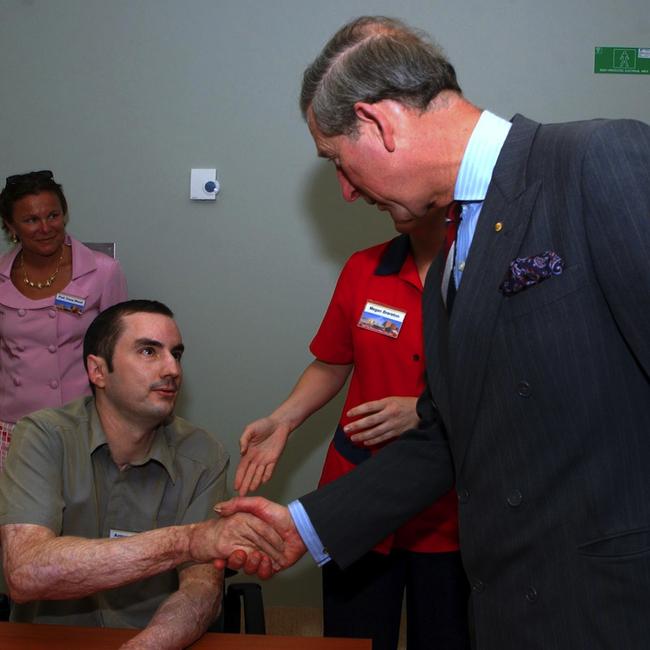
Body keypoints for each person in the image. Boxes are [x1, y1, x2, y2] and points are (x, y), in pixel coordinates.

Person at [216, 15, 650, 650]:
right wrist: (303, 529)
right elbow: (450, 435)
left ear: (379, 123)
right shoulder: (453, 255)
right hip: (508, 612)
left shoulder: (596, 160)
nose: (343, 191)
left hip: (614, 609)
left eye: (337, 159)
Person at [235, 204, 469, 649]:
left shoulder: (480, 272)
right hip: (356, 499)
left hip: (450, 507)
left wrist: (423, 409)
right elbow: (332, 362)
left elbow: (506, 380)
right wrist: (282, 419)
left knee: (447, 636)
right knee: (352, 638)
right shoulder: (364, 268)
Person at [0, 300, 284, 649]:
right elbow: (25, 573)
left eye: (176, 354)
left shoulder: (204, 455)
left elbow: (200, 589)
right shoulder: (43, 436)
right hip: (48, 640)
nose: (173, 370)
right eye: (149, 351)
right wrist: (188, 540)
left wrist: (144, 647)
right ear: (98, 371)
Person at [0, 170, 127, 469]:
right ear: (11, 226)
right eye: (31, 220)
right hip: (13, 425)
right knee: (17, 514)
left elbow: (121, 350)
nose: (45, 227)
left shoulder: (102, 271)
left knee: (81, 512)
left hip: (80, 421)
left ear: (65, 214)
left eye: (53, 215)